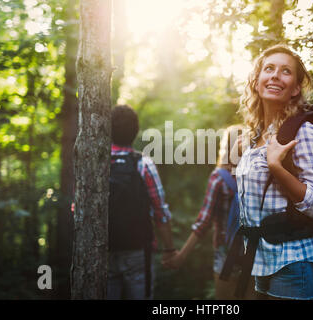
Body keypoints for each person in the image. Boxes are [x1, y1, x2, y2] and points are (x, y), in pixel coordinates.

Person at [233, 44, 313, 300]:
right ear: (256, 81)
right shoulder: (254, 138)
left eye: (286, 71)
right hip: (262, 264)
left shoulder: (303, 132)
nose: (276, 75)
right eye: (269, 69)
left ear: (296, 88)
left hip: (297, 264)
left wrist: (277, 167)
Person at [162, 125, 259, 300]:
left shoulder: (219, 178)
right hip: (254, 251)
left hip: (225, 252)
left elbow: (204, 222)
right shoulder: (256, 173)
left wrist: (181, 256)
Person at [107, 104, 176, 300]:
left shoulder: (95, 163)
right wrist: (169, 249)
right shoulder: (143, 164)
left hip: (103, 251)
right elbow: (160, 212)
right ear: (136, 131)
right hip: (138, 251)